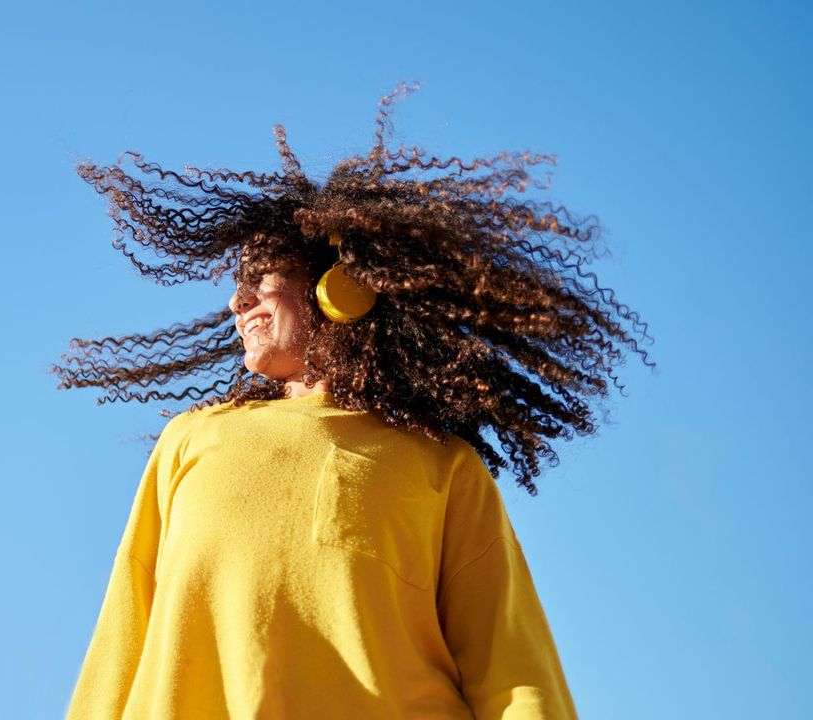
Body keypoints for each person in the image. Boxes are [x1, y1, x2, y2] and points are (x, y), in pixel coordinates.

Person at [52, 81, 655, 719]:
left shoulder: (443, 469)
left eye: (260, 280)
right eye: (236, 288)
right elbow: (120, 644)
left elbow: (515, 676)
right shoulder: (192, 440)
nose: (238, 302)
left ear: (337, 285)